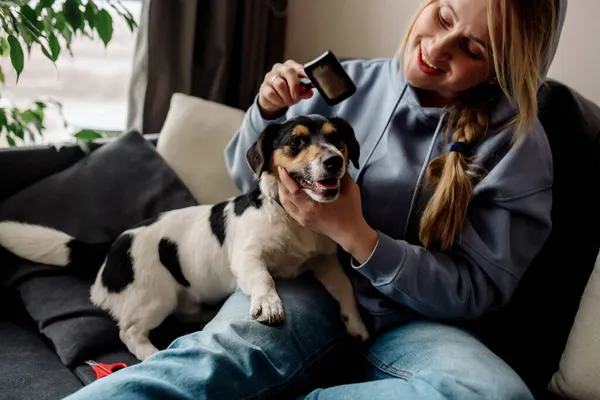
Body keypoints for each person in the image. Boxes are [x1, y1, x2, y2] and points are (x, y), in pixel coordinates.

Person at [65, 0, 567, 399]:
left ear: (501, 67)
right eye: (443, 17)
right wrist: (264, 110)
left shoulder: (517, 149)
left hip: (421, 325)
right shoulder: (341, 85)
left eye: (472, 48)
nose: (437, 47)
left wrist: (359, 238)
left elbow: (479, 290)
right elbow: (250, 179)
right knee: (215, 360)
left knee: (494, 393)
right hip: (304, 286)